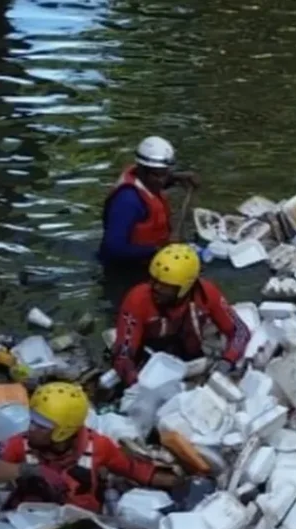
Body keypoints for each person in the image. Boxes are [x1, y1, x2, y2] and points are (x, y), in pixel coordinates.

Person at [0, 382, 181, 512]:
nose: (31, 428)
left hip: (83, 523)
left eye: (40, 425)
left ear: (63, 431)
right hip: (33, 521)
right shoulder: (22, 443)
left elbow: (138, 471)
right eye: (32, 419)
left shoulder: (98, 446)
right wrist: (28, 470)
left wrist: (182, 484)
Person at [111, 244, 252, 386]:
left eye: (166, 287)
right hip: (150, 362)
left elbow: (240, 331)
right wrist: (134, 381)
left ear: (185, 287)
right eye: (154, 282)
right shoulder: (138, 299)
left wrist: (227, 361)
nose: (157, 289)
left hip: (189, 356)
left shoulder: (206, 294)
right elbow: (124, 352)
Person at [97, 136, 200, 273]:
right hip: (126, 271)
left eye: (165, 174)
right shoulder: (127, 201)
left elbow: (158, 180)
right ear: (141, 170)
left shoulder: (146, 181)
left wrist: (177, 178)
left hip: (153, 260)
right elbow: (114, 248)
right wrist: (160, 249)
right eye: (157, 175)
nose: (162, 181)